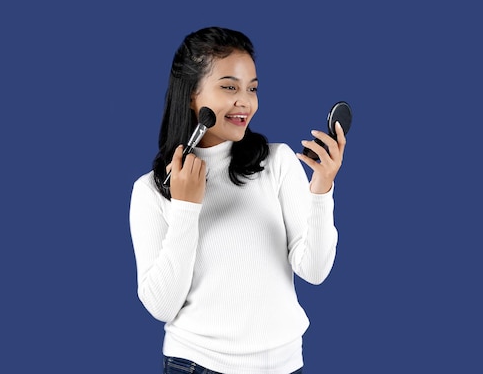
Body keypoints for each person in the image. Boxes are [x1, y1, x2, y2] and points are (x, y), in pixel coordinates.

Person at [129, 26, 347, 374]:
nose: (245, 101)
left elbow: (315, 271)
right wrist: (185, 207)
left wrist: (322, 188)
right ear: (191, 95)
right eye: (229, 87)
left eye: (252, 88)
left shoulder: (277, 162)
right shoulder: (152, 190)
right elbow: (161, 306)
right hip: (196, 365)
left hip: (285, 366)